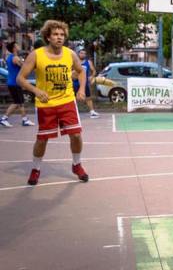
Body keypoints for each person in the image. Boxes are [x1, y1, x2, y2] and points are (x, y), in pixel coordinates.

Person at [17, 20, 89, 186]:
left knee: (76, 135)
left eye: (62, 34)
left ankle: (77, 164)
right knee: (42, 139)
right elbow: (20, 78)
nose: (59, 37)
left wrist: (81, 89)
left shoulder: (70, 54)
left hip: (67, 100)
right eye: (55, 34)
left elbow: (81, 71)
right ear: (48, 37)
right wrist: (36, 91)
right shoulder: (36, 55)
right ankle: (36, 168)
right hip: (46, 104)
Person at [0, 42, 35, 127]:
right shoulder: (15, 58)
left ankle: (24, 119)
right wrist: (30, 56)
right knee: (17, 102)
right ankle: (4, 118)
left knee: (20, 102)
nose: (19, 46)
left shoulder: (10, 57)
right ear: (14, 48)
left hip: (14, 82)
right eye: (17, 45)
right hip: (14, 83)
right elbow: (25, 66)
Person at [72, 48, 99, 118]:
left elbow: (94, 71)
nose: (83, 54)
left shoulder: (88, 62)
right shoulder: (74, 61)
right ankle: (73, 112)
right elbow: (69, 71)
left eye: (84, 53)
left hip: (84, 83)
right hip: (75, 82)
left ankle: (92, 111)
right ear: (78, 54)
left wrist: (92, 76)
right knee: (73, 98)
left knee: (88, 97)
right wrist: (72, 75)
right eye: (81, 53)